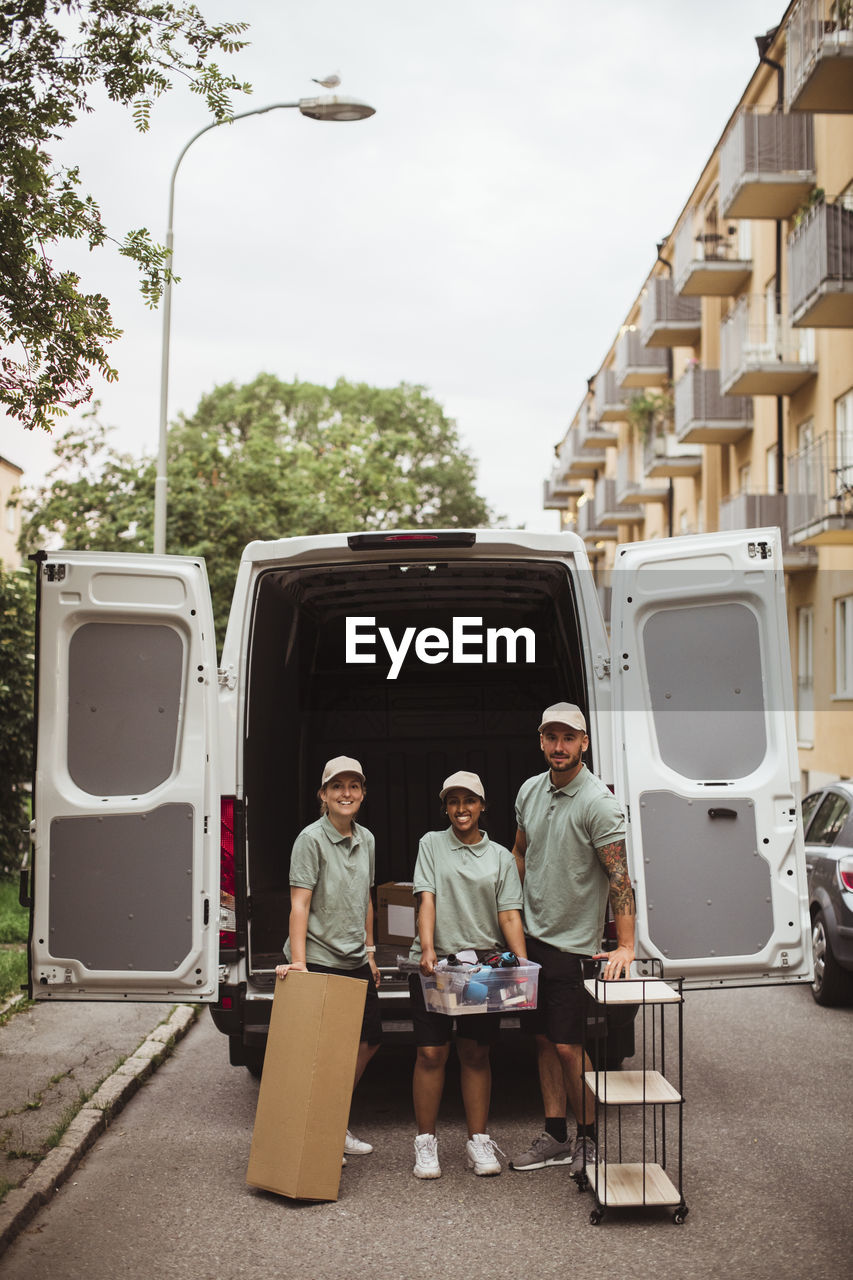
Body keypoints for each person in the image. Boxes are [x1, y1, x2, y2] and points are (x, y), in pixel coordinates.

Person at [508, 703, 635, 1177]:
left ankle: (589, 1140)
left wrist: (626, 946)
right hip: (532, 941)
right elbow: (520, 852)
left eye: (569, 738)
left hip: (573, 947)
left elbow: (619, 879)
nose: (559, 746)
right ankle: (556, 1137)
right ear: (541, 741)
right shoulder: (529, 791)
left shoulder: (598, 802)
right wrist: (505, 912)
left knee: (567, 1046)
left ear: (584, 743)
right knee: (543, 1042)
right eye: (551, 737)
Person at [408, 770, 526, 1180]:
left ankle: (478, 1140)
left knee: (475, 1053)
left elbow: (509, 913)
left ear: (482, 806)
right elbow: (427, 898)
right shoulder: (431, 844)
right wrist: (426, 949)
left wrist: (523, 966)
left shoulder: (499, 857)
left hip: (481, 969)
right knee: (431, 1053)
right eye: (454, 801)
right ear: (446, 807)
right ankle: (426, 1144)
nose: (462, 809)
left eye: (469, 800)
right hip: (437, 964)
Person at [275, 755, 381, 1163]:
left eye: (353, 786)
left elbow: (366, 900)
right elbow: (299, 905)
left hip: (354, 957)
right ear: (323, 795)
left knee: (370, 1039)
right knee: (321, 1049)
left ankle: (331, 1120)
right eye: (337, 786)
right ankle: (319, 1131)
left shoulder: (367, 839)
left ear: (363, 793)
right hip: (318, 957)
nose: (346, 793)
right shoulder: (311, 840)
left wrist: (370, 952)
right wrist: (299, 963)